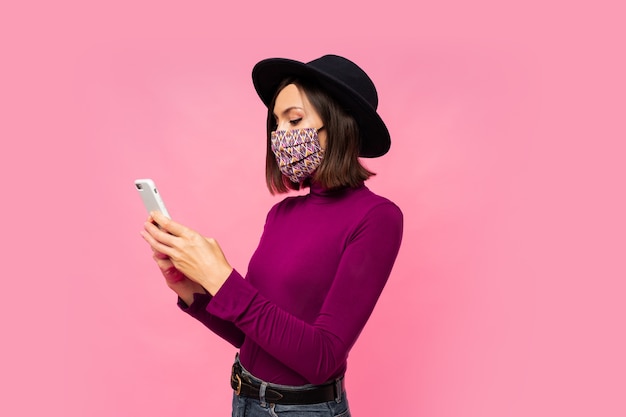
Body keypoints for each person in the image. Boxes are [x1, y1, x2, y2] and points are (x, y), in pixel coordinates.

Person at [140, 54, 403, 417]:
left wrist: (223, 278)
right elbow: (256, 336)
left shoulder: (377, 218)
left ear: (341, 124)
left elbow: (322, 358)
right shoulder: (281, 214)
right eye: (276, 124)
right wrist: (192, 289)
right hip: (244, 399)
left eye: (294, 119)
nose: (280, 134)